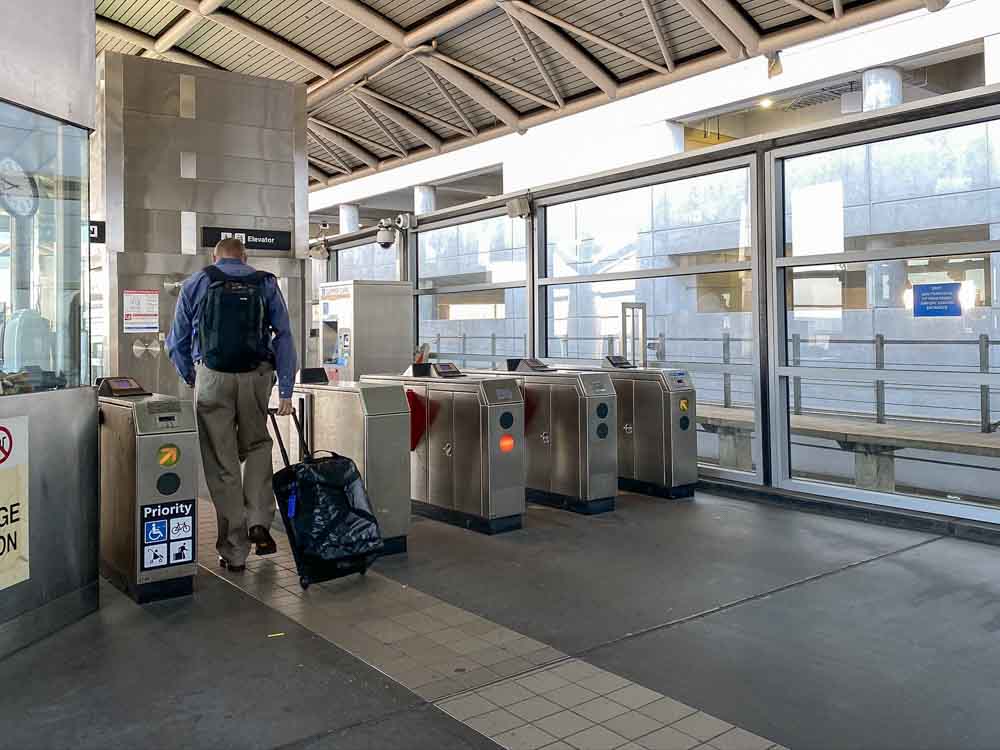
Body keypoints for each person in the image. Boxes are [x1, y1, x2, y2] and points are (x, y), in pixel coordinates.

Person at [166, 238, 297, 572]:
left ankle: (235, 550)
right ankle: (259, 520)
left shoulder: (197, 282)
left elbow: (176, 342)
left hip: (212, 377)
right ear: (245, 256)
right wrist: (285, 390)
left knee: (221, 460)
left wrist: (193, 377)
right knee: (256, 445)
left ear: (214, 256)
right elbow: (284, 336)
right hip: (256, 377)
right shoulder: (265, 282)